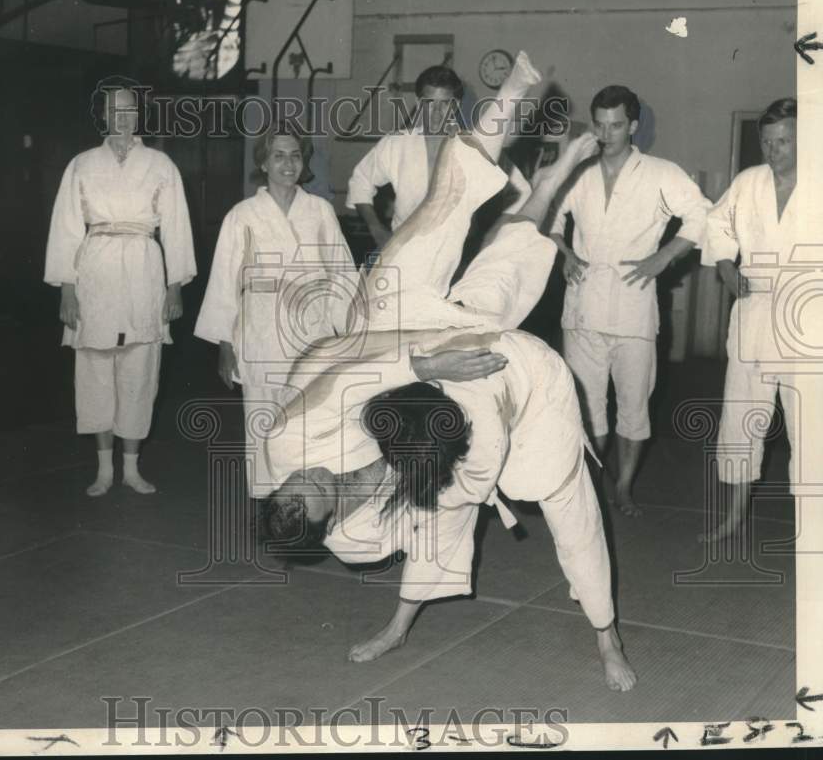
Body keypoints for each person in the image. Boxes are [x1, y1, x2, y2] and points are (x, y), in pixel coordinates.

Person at [263, 52, 636, 690]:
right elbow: (446, 500)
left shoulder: (287, 445)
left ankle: (607, 636)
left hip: (389, 329)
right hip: (488, 362)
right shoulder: (354, 531)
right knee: (512, 254)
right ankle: (406, 626)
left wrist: (428, 361)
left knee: (441, 208)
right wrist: (432, 463)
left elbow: (347, 375)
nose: (309, 476)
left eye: (294, 485)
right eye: (315, 492)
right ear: (326, 520)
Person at [547, 85, 710, 517]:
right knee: (585, 408)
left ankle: (624, 487)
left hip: (635, 309)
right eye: (599, 124)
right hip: (581, 308)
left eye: (616, 125)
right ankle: (591, 489)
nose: (606, 133)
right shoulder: (577, 171)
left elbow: (702, 216)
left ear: (633, 125)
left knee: (634, 408)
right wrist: (563, 251)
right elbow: (549, 214)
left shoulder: (661, 173)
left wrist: (664, 256)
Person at [44, 76, 197, 497]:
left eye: (130, 110)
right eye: (115, 111)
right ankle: (103, 470)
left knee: (139, 369)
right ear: (103, 116)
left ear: (138, 114)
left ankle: (131, 468)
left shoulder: (161, 166)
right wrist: (67, 288)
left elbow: (178, 228)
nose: (123, 119)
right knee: (95, 368)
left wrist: (175, 285)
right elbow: (65, 228)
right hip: (96, 268)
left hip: (145, 268)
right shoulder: (82, 164)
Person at [195, 128, 354, 498]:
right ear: (264, 163)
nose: (288, 163)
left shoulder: (320, 211)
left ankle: (309, 504)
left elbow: (342, 274)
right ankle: (269, 505)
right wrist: (225, 345)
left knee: (309, 418)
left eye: (295, 155)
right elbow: (224, 280)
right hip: (261, 330)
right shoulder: (243, 215)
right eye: (279, 156)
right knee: (263, 421)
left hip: (312, 330)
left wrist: (345, 336)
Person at [700, 98, 817, 542]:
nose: (774, 150)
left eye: (783, 141)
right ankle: (734, 516)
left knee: (811, 424)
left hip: (809, 320)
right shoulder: (748, 182)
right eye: (767, 142)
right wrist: (728, 269)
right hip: (753, 314)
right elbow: (717, 228)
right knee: (741, 416)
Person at [347, 64, 532, 250]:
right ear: (419, 103)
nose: (436, 114)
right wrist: (376, 228)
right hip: (405, 246)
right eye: (429, 103)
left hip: (456, 250)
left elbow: (522, 191)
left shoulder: (474, 145)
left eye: (444, 104)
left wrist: (495, 231)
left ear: (456, 105)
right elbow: (360, 180)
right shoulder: (397, 144)